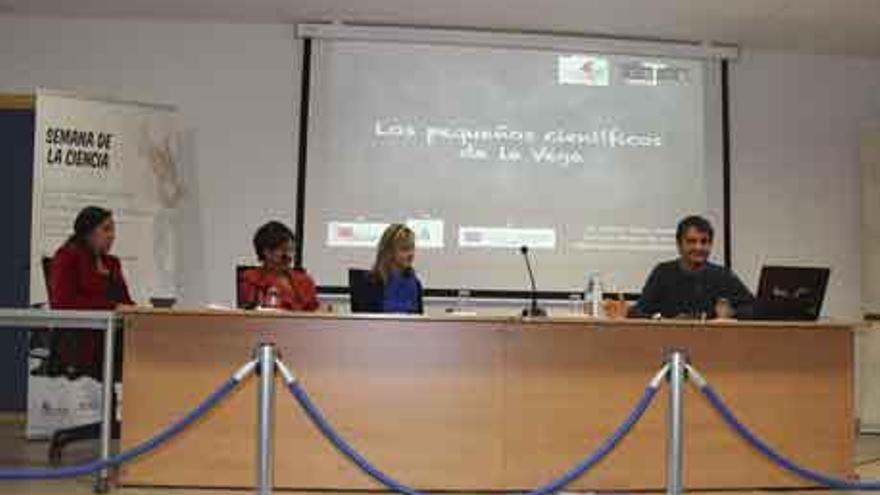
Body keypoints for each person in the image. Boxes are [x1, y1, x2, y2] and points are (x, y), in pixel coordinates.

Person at [49, 206, 134, 369]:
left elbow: (126, 302)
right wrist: (113, 307)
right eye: (106, 229)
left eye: (113, 230)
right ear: (88, 232)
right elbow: (63, 303)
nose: (112, 235)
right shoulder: (67, 256)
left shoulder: (112, 263)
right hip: (81, 340)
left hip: (112, 337)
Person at [632, 215, 754, 319]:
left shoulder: (723, 275)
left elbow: (753, 308)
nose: (698, 247)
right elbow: (638, 311)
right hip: (670, 340)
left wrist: (732, 313)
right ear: (679, 245)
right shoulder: (663, 273)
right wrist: (662, 320)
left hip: (711, 340)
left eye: (704, 242)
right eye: (691, 241)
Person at [238, 221, 319, 311]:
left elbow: (314, 315)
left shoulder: (305, 281)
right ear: (266, 251)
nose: (289, 256)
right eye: (284, 250)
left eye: (291, 250)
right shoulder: (250, 279)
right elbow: (246, 313)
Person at [359, 223, 424, 314]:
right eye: (404, 249)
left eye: (412, 248)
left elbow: (419, 322)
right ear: (389, 251)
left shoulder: (415, 283)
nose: (411, 254)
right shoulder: (370, 281)